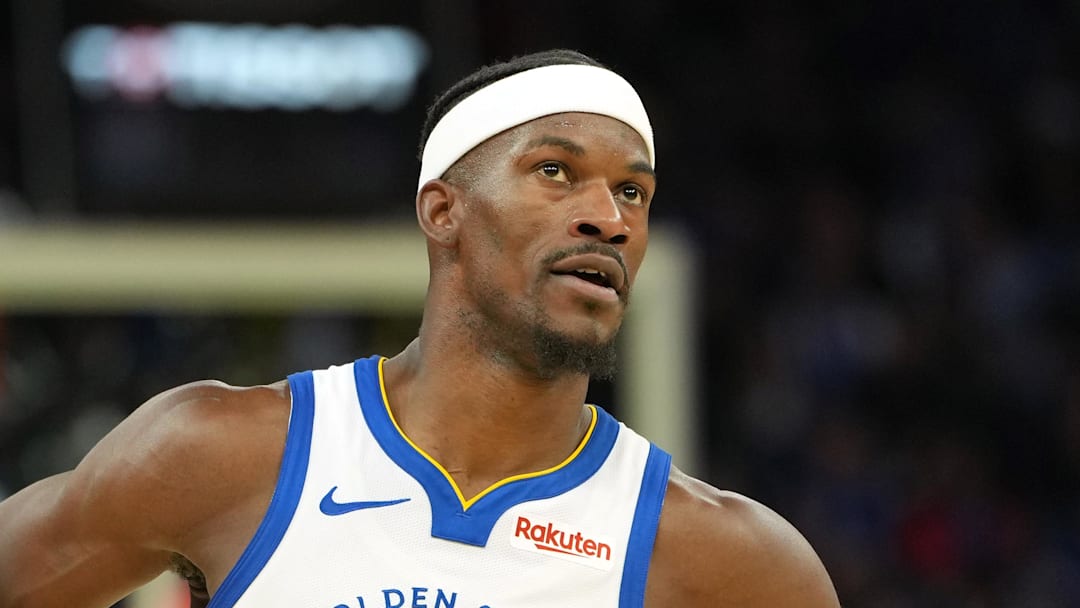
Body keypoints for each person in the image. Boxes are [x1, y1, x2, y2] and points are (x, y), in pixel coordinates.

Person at [0, 49, 840, 607]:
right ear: (444, 211)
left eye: (633, 193)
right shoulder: (221, 454)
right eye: (556, 172)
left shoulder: (732, 564)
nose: (608, 219)